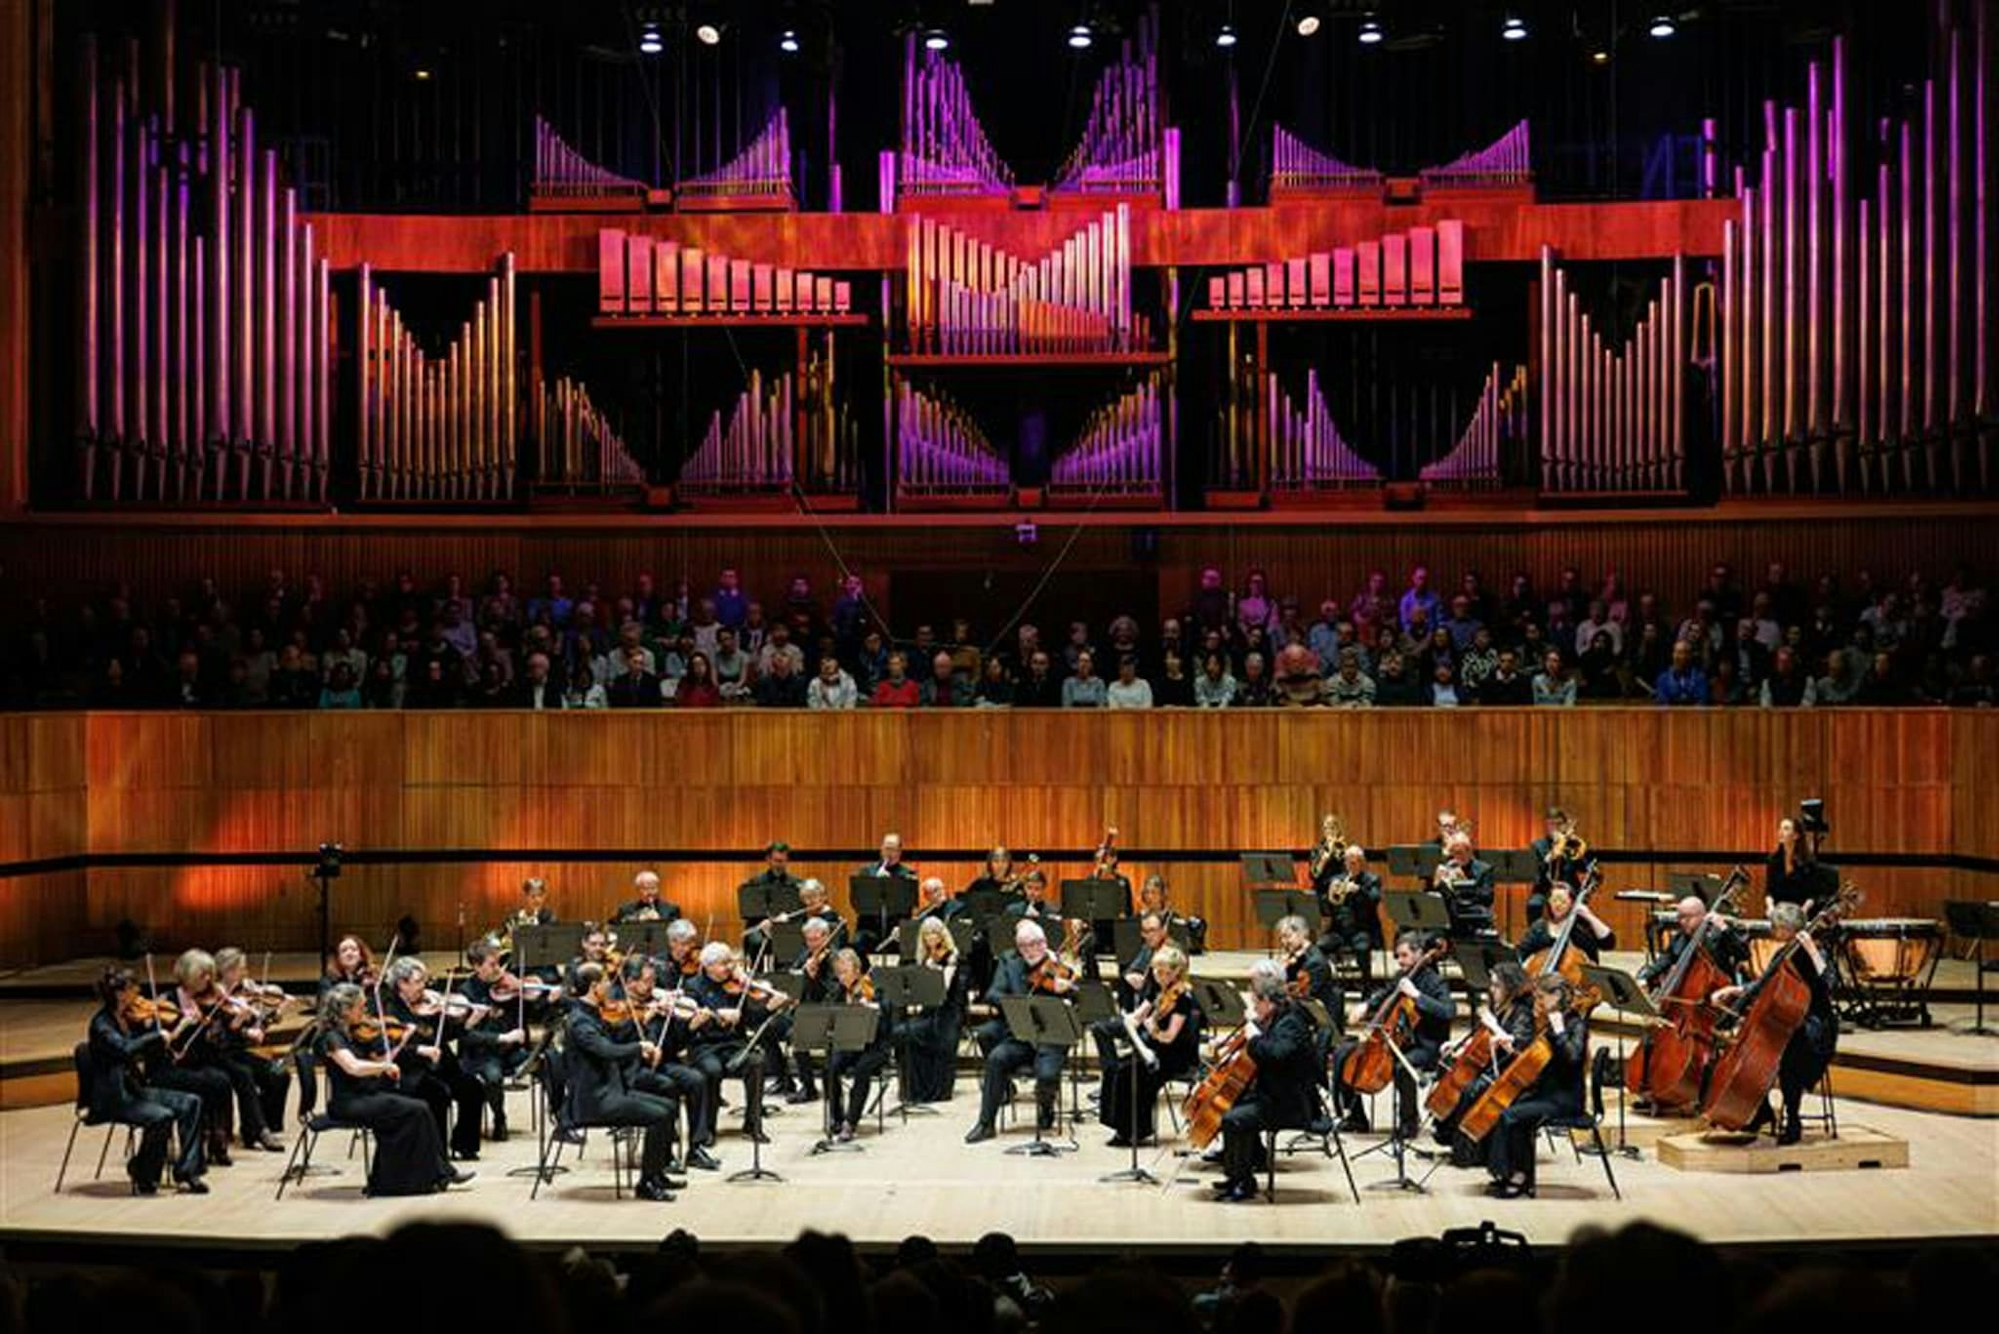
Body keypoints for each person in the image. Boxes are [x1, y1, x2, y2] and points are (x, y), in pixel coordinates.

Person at [318, 982, 471, 1197]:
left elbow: (383, 1057)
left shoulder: (352, 1033)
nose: (365, 1012)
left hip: (367, 1094)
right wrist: (383, 1067)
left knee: (421, 1108)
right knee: (416, 1109)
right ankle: (406, 1180)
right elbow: (353, 1067)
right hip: (349, 1102)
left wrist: (401, 1041)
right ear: (345, 1010)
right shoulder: (331, 1037)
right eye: (360, 1007)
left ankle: (433, 1174)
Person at [1712, 901, 1838, 1145]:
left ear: (1789, 929)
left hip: (1816, 1025)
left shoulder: (1817, 952)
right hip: (1788, 1020)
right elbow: (1763, 984)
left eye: (1777, 928)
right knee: (1764, 1050)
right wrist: (1735, 991)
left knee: (1788, 1055)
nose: (1774, 932)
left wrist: (1812, 950)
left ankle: (1793, 1119)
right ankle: (1762, 1110)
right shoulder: (1784, 952)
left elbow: (1830, 984)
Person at [86, 967, 209, 1194]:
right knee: (161, 1116)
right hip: (113, 1096)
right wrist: (154, 1036)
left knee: (191, 1102)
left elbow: (146, 1044)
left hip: (134, 1089)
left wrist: (169, 1031)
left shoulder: (127, 1018)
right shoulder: (101, 1025)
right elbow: (125, 1049)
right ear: (120, 994)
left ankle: (188, 1171)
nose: (139, 993)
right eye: (134, 989)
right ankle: (144, 1172)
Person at [566, 962, 682, 1200]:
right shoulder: (579, 1021)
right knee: (659, 1115)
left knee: (669, 1107)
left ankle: (656, 1173)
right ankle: (646, 1183)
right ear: (595, 986)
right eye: (607, 981)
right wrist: (639, 1047)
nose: (611, 986)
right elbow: (607, 1050)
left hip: (612, 1089)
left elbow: (616, 1034)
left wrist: (640, 1022)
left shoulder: (591, 1014)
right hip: (596, 1099)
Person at [1213, 961, 1322, 1202]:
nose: (1253, 1007)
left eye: (1255, 1002)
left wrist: (1253, 1038)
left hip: (1290, 1103)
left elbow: (1276, 1055)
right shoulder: (1276, 1018)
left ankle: (1244, 1183)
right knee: (1227, 1107)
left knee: (1234, 1119)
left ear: (1268, 1002)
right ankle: (1236, 1175)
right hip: (1274, 1093)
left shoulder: (1291, 1023)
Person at [1331, 932, 1453, 1139]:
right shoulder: (1400, 977)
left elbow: (1448, 1011)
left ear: (1419, 954)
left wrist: (1417, 995)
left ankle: (1409, 1122)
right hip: (1396, 1040)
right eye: (1397, 956)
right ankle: (1357, 1118)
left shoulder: (1435, 983)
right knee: (1344, 1053)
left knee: (1401, 1067)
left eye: (1404, 956)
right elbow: (1385, 993)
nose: (1400, 961)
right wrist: (1366, 1005)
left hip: (1425, 1045)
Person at [965, 921, 1076, 1143]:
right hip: (1021, 1035)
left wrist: (1069, 991)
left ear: (1044, 943)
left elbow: (1078, 999)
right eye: (1024, 946)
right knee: (997, 1058)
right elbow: (993, 994)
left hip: (1052, 1039)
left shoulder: (1058, 965)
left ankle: (1046, 1108)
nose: (1031, 950)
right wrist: (1016, 1004)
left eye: (1036, 944)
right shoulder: (1012, 963)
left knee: (1046, 1076)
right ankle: (986, 1124)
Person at [1482, 973, 1590, 1198]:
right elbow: (1539, 1059)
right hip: (1547, 1092)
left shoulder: (1576, 1024)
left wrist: (1560, 1032)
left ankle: (1517, 1176)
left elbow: (1573, 1058)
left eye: (1542, 997)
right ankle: (1516, 1173)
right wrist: (1514, 1050)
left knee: (1511, 1116)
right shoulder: (1548, 1023)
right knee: (1505, 1109)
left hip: (1565, 1099)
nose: (1537, 1003)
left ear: (1557, 996)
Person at [1098, 945, 1203, 1146]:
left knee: (1132, 1074)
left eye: (1165, 972)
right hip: (1154, 1050)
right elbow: (1139, 1016)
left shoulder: (1183, 999)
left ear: (1176, 972)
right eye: (1156, 970)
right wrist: (1128, 1020)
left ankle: (1138, 1130)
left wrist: (1153, 1029)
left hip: (1175, 1055)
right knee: (1116, 1069)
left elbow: (1170, 1036)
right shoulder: (1157, 989)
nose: (1159, 976)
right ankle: (1121, 1127)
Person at [823, 950, 892, 1141]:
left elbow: (887, 1024)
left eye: (845, 972)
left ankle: (850, 1123)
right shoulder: (837, 992)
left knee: (862, 1070)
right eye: (839, 972)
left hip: (875, 1046)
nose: (841, 977)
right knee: (830, 1067)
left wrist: (872, 1010)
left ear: (857, 970)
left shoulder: (875, 989)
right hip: (850, 1044)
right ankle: (837, 1117)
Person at [902, 914, 969, 1103]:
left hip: (950, 1011)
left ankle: (938, 1090)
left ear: (942, 935)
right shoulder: (924, 958)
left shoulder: (953, 956)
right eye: (926, 934)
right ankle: (915, 1090)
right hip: (930, 1009)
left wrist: (932, 970)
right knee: (905, 1034)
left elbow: (944, 987)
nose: (931, 937)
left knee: (942, 1039)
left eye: (934, 933)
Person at [1316, 844, 1383, 985]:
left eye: (1354, 862)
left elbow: (1375, 899)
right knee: (1320, 946)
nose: (1350, 866)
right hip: (1339, 931)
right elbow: (1326, 904)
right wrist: (1328, 895)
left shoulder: (1372, 880)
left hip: (1362, 930)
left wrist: (1359, 890)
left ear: (1361, 863)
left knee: (1362, 948)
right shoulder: (1337, 879)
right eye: (1347, 862)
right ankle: (1327, 983)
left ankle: (1366, 985)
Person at [1514, 883, 1616, 964]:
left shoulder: (1582, 926)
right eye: (1554, 900)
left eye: (1563, 901)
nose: (1558, 905)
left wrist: (1589, 916)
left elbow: (1608, 943)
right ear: (1549, 902)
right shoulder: (1539, 927)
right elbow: (1521, 953)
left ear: (1572, 903)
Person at [1528, 808, 1597, 924]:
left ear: (1564, 825)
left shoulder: (1573, 844)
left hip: (1570, 889)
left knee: (1581, 909)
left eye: (1559, 824)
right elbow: (1537, 872)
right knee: (1534, 904)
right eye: (1551, 824)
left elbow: (1584, 868)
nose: (1555, 827)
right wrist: (1552, 854)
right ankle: (1536, 936)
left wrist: (1576, 850)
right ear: (1546, 825)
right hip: (1545, 888)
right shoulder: (1537, 845)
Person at [1433, 831, 1497, 938]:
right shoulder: (1449, 866)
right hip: (1451, 914)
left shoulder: (1484, 869)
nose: (1456, 857)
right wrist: (1438, 884)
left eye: (1459, 853)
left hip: (1473, 915)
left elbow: (1487, 898)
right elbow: (1442, 898)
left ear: (1469, 851)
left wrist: (1464, 882)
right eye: (1453, 853)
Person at [1766, 815, 1835, 910]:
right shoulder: (1773, 860)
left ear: (1796, 835)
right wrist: (1770, 907)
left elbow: (1812, 895)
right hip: (1779, 913)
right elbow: (1769, 892)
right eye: (1780, 828)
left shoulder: (1808, 862)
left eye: (1786, 829)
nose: (1780, 832)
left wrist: (1803, 911)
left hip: (1800, 911)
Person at [612, 869, 680, 924]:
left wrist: (660, 920)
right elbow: (617, 924)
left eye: (653, 888)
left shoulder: (672, 909)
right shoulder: (625, 909)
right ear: (638, 890)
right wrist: (638, 918)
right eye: (645, 888)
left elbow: (676, 932)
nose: (650, 892)